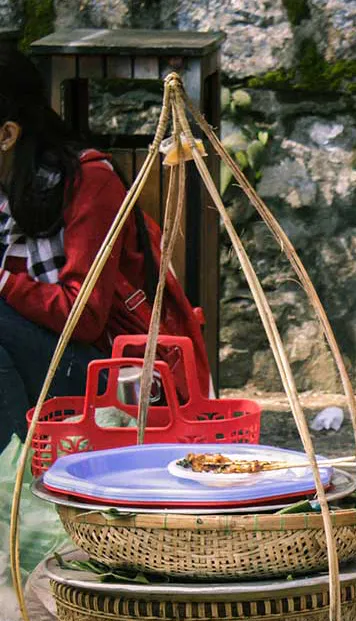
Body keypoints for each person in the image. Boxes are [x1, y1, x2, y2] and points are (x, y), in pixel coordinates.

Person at [0, 49, 210, 443]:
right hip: (48, 358)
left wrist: (6, 284)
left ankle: (20, 477)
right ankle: (15, 471)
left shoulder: (89, 183)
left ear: (7, 135)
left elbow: (83, 318)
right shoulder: (5, 191)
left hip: (118, 375)